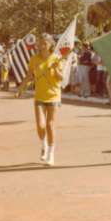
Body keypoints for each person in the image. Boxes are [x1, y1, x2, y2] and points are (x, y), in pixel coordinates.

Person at [16, 33, 64, 166]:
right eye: (40, 43)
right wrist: (21, 88)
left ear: (50, 44)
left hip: (53, 95)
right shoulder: (34, 59)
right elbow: (29, 76)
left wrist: (56, 69)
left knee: (50, 125)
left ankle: (51, 154)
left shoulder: (57, 58)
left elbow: (61, 78)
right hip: (39, 95)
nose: (42, 46)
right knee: (40, 126)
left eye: (45, 43)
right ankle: (44, 145)